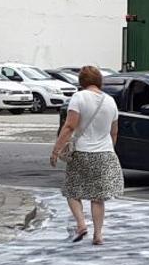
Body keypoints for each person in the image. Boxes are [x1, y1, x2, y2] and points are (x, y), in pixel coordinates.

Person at [51, 66, 122, 245]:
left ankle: (81, 224)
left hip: (83, 152)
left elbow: (69, 126)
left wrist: (56, 150)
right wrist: (108, 150)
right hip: (105, 153)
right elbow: (114, 132)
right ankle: (98, 235)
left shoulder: (79, 97)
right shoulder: (110, 101)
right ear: (99, 81)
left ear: (82, 82)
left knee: (72, 191)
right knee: (98, 197)